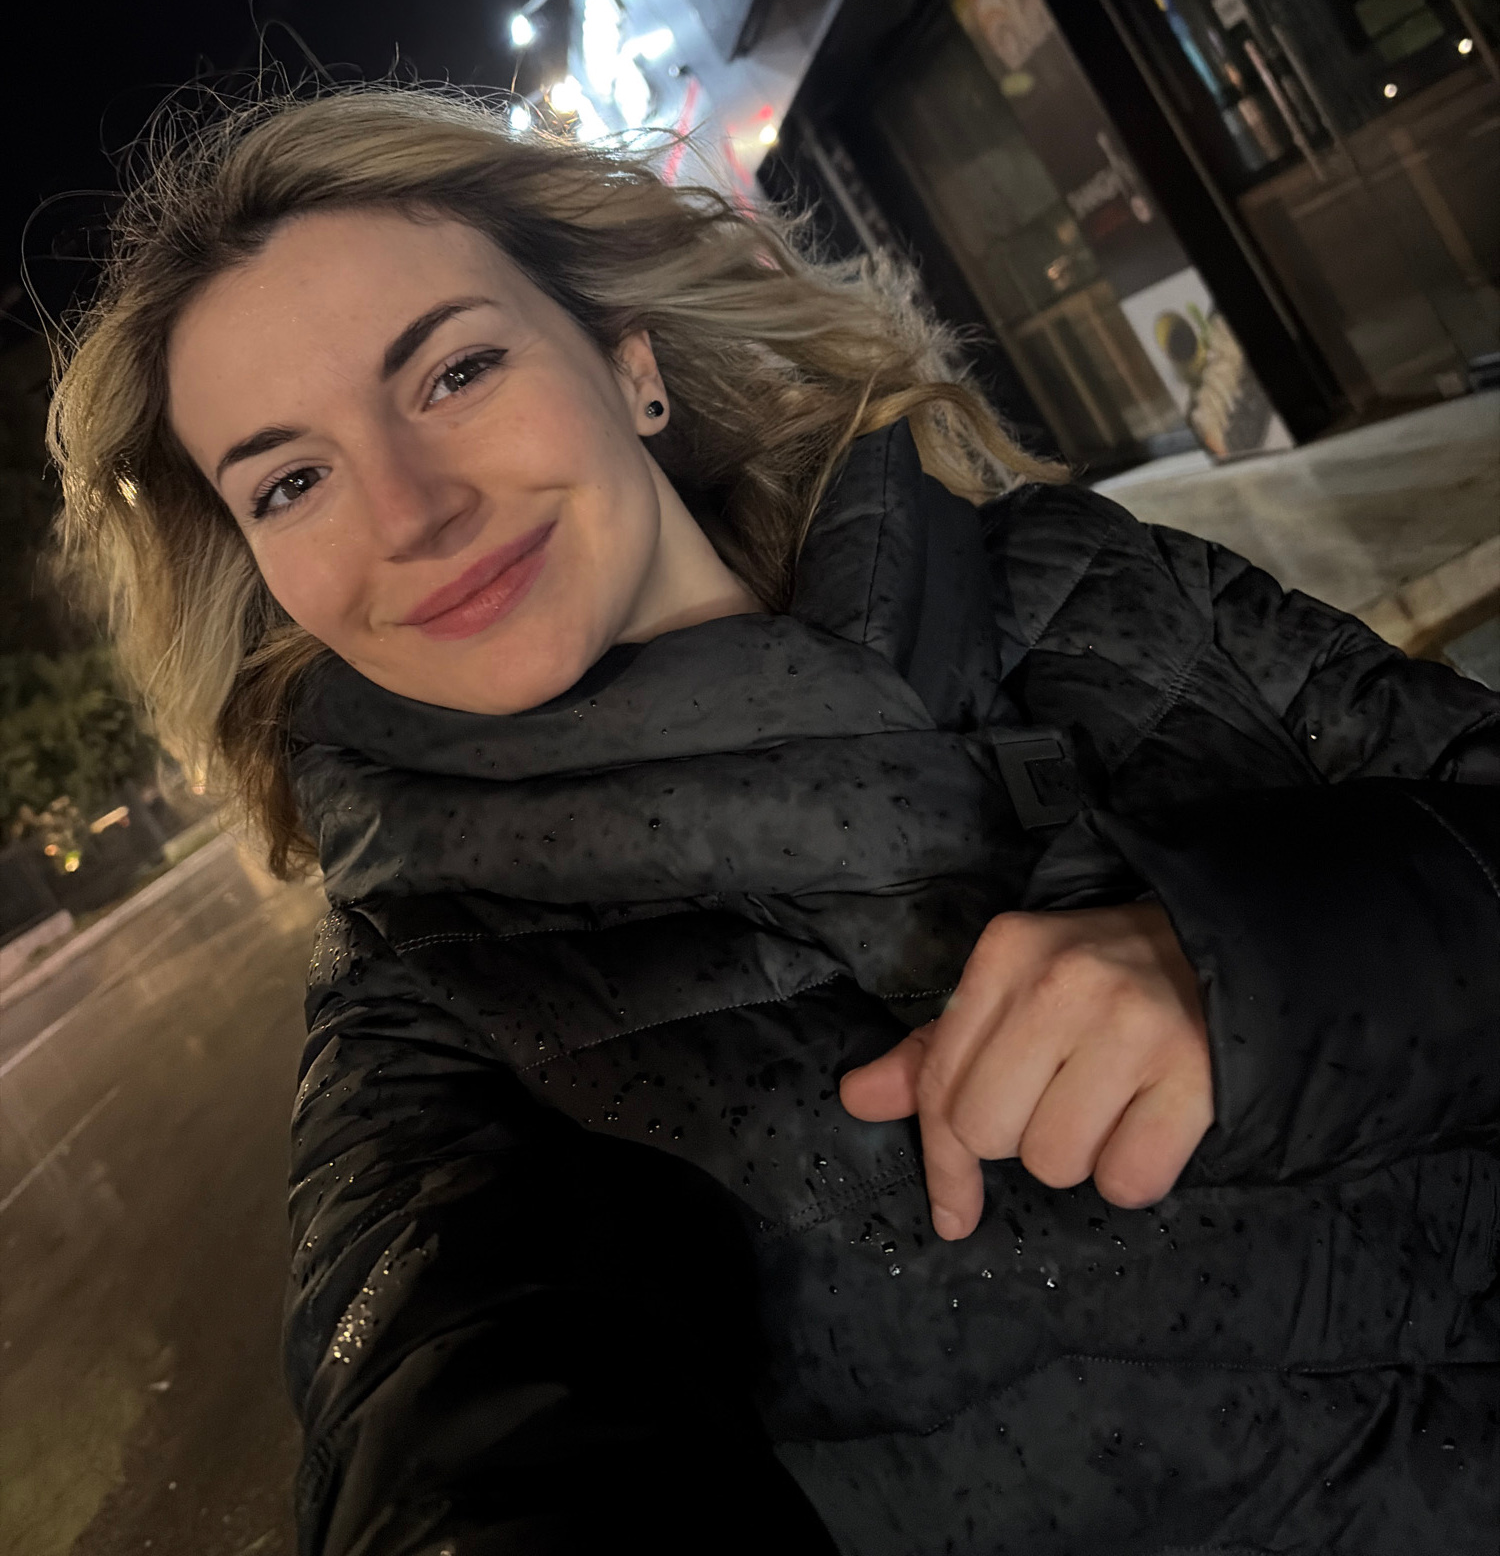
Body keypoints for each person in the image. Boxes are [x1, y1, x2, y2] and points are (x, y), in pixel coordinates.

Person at [49, 86, 1497, 1555]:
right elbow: (449, 1397)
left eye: (457, 372)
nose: (411, 514)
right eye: (293, 482)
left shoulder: (1082, 586)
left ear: (630, 366)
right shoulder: (426, 1013)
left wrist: (1251, 960)